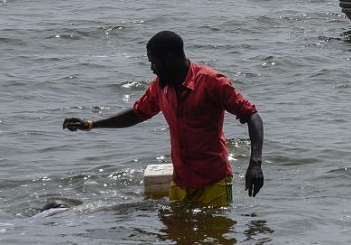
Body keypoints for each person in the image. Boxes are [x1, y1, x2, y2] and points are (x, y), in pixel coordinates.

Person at [63, 31, 264, 205]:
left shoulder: (211, 82)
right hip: (180, 181)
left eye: (153, 62)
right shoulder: (160, 87)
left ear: (169, 59)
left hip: (214, 182)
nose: (152, 68)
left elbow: (252, 115)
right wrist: (90, 124)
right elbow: (137, 114)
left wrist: (255, 163)